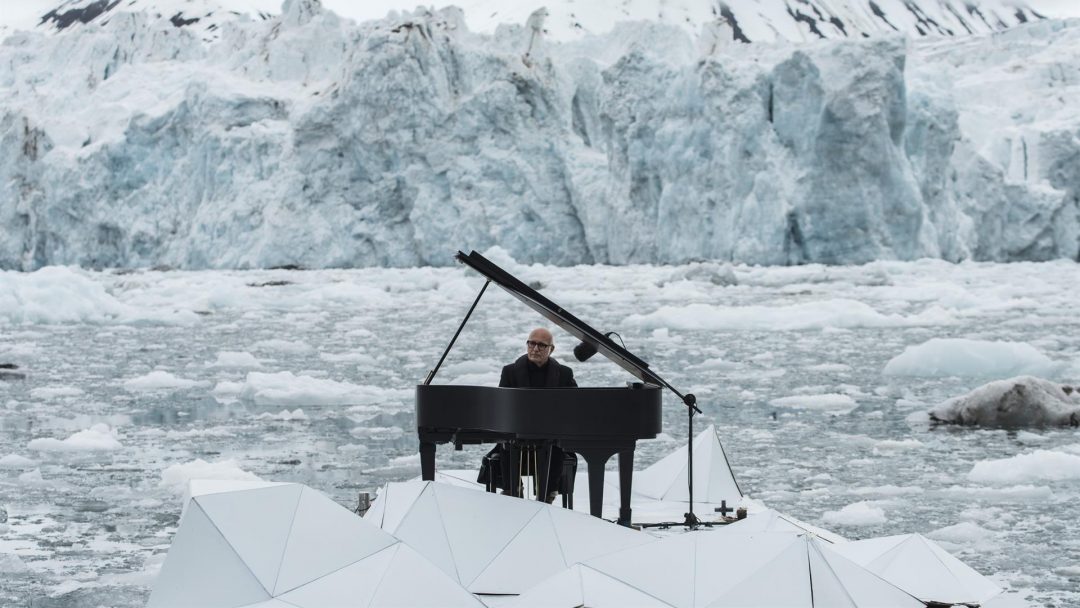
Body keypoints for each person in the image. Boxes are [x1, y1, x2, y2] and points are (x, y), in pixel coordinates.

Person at [478, 328, 577, 502]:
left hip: (550, 437)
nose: (535, 348)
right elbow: (502, 406)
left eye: (541, 345)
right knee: (506, 444)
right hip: (517, 437)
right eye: (532, 343)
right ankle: (512, 490)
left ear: (551, 349)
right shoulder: (509, 371)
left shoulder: (564, 373)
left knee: (558, 446)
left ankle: (548, 493)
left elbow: (575, 406)